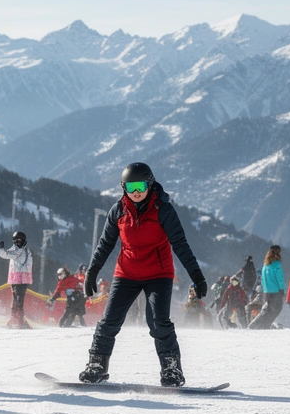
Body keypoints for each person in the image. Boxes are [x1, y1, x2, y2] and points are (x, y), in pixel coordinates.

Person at [79, 162, 207, 386]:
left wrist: (197, 275)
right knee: (110, 321)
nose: (135, 192)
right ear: (123, 188)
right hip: (126, 273)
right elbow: (105, 244)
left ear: (149, 184)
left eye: (140, 186)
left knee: (158, 321)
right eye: (130, 187)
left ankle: (171, 369)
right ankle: (96, 365)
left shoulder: (163, 209)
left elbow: (180, 244)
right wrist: (92, 272)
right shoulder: (118, 210)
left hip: (158, 273)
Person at [0, 230, 33, 328]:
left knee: (18, 300)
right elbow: (7, 254)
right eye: (16, 240)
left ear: (24, 241)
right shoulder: (22, 250)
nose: (18, 242)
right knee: (16, 300)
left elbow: (6, 254)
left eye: (20, 240)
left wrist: (1, 249)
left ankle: (19, 321)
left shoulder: (20, 251)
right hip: (17, 279)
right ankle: (16, 320)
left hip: (20, 279)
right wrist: (1, 249)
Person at [248, 245, 286, 329]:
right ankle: (263, 326)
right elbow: (280, 278)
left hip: (266, 292)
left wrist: (264, 289)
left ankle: (255, 325)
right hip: (275, 292)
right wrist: (282, 289)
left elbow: (262, 279)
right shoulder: (277, 264)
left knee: (266, 311)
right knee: (275, 310)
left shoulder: (265, 265)